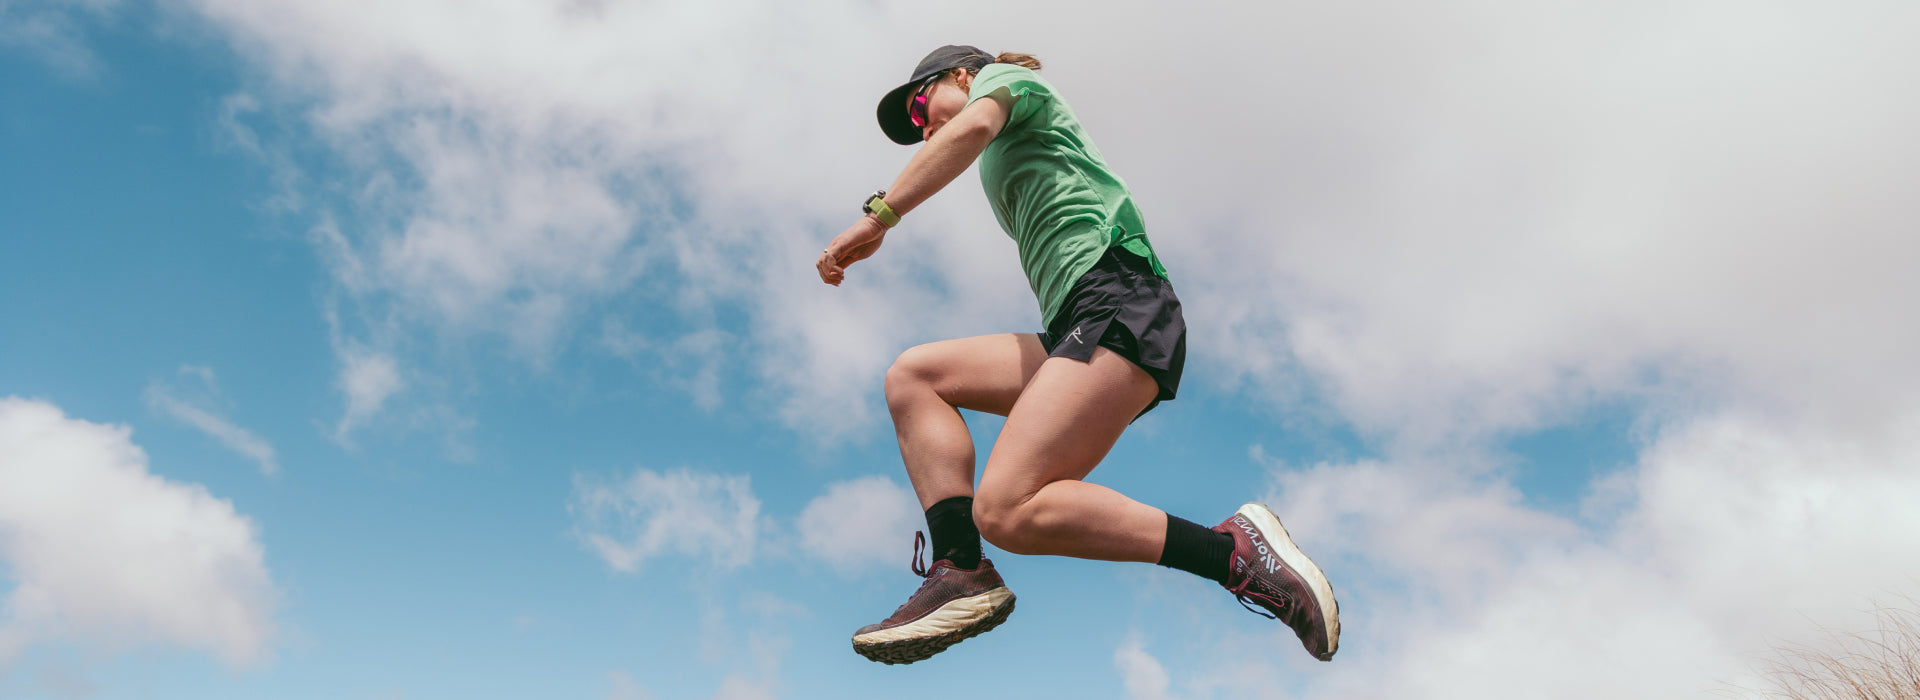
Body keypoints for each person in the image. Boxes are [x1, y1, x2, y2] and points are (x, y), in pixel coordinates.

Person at [817, 45, 1340, 665]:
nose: (924, 128)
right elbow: (960, 141)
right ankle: (960, 569)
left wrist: (880, 216)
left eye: (920, 107)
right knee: (915, 377)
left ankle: (1233, 554)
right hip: (1077, 322)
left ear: (962, 75)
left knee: (1006, 509)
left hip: (1120, 296)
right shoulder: (996, 150)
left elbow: (972, 126)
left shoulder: (1003, 83)